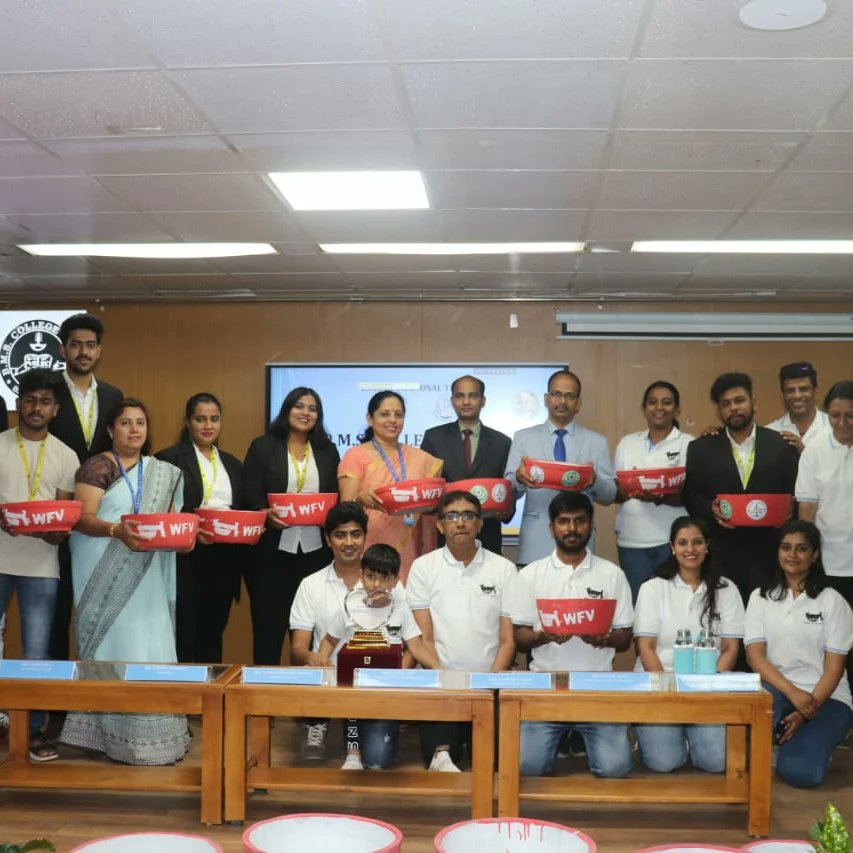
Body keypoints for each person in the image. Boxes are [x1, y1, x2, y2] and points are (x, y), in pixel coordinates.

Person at [60, 399, 189, 765]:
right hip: (101, 564)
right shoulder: (98, 466)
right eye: (125, 423)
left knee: (150, 642)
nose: (134, 430)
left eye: (141, 423)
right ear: (110, 429)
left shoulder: (163, 471)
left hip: (148, 573)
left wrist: (186, 537)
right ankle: (103, 735)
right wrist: (117, 530)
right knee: (112, 644)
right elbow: (83, 518)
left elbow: (172, 521)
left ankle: (155, 740)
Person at [508, 491, 634, 779]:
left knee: (614, 768)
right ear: (551, 527)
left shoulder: (613, 574)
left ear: (591, 525)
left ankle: (577, 733)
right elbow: (520, 637)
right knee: (527, 766)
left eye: (579, 521)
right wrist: (543, 636)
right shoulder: (530, 574)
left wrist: (604, 639)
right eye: (564, 521)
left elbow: (625, 637)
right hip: (546, 686)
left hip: (598, 686)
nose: (572, 529)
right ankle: (564, 734)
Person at [0, 369, 78, 761]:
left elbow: (63, 515)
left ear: (55, 408)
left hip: (42, 566)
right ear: (18, 404)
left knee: (36, 654)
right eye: (30, 399)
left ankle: (33, 732)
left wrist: (55, 531)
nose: (36, 407)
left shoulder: (66, 455)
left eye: (45, 401)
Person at [407, 490, 516, 772]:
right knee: (443, 762)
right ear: (440, 525)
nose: (460, 523)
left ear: (480, 523)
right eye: (452, 516)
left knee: (495, 764)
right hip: (441, 682)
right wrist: (447, 679)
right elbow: (423, 638)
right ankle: (443, 748)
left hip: (490, 682)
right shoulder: (423, 567)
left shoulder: (503, 568)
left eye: (468, 515)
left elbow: (507, 640)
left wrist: (489, 684)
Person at [745, 520, 853, 788]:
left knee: (802, 773)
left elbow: (834, 670)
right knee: (756, 709)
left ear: (814, 555)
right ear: (778, 552)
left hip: (827, 698)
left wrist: (807, 710)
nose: (792, 555)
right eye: (786, 547)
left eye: (801, 548)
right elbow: (754, 657)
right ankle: (782, 738)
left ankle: (802, 742)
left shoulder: (832, 601)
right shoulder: (760, 598)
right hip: (779, 692)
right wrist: (794, 695)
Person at [633, 516, 744, 773]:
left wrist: (707, 690)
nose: (690, 550)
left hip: (708, 689)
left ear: (707, 546)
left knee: (716, 762)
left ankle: (693, 734)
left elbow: (730, 649)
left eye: (697, 542)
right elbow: (646, 647)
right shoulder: (653, 588)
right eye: (682, 543)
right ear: (672, 547)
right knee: (665, 762)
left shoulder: (727, 589)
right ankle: (669, 735)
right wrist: (668, 692)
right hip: (660, 686)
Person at [317, 543, 440, 770]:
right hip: (354, 685)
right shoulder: (348, 605)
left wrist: (439, 670)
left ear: (395, 581)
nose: (376, 584)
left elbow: (416, 645)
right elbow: (329, 640)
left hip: (387, 687)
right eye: (371, 577)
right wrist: (321, 662)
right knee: (351, 701)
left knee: (378, 761)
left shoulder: (402, 608)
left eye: (384, 579)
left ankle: (380, 738)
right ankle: (352, 753)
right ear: (361, 575)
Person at [242, 386, 340, 666]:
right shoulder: (263, 446)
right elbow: (248, 492)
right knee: (268, 629)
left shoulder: (327, 451)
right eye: (299, 406)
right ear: (287, 410)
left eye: (312, 408)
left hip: (315, 554)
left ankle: (306, 705)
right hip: (270, 553)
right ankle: (263, 704)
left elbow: (336, 494)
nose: (305, 413)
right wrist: (263, 512)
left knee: (308, 634)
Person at [682, 372, 799, 602]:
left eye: (739, 401)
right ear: (718, 410)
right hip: (721, 554)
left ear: (753, 403)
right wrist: (710, 509)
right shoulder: (701, 448)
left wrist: (790, 511)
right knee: (726, 623)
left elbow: (796, 493)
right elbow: (690, 495)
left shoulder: (781, 445)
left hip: (769, 553)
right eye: (726, 404)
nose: (733, 408)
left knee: (765, 622)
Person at [49, 312, 123, 665]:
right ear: (63, 349)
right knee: (58, 612)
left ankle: (99, 695)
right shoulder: (47, 391)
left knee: (100, 607)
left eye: (90, 345)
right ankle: (58, 710)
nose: (83, 351)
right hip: (58, 518)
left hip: (100, 518)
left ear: (100, 351)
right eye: (76, 344)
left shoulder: (113, 395)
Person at [155, 392, 243, 664]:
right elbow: (159, 511)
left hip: (225, 560)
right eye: (200, 419)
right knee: (184, 637)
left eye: (214, 419)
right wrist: (190, 531)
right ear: (188, 422)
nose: (208, 426)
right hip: (185, 560)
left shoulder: (232, 463)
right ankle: (182, 704)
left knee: (212, 637)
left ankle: (210, 702)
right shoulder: (168, 459)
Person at [506, 370, 616, 566]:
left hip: (579, 543)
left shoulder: (596, 442)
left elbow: (609, 495)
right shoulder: (523, 437)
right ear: (546, 399)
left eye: (570, 396)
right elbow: (508, 490)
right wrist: (519, 478)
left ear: (578, 404)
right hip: (535, 542)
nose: (562, 401)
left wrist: (594, 480)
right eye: (556, 394)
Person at [290, 501, 370, 760]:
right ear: (328, 540)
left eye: (356, 534)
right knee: (311, 670)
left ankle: (358, 734)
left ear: (365, 538)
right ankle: (316, 724)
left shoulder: (385, 581)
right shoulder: (310, 585)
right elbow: (298, 647)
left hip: (369, 679)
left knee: (378, 758)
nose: (349, 542)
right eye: (340, 535)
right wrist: (311, 657)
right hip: (326, 676)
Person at [338, 390, 443, 581]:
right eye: (385, 414)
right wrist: (359, 498)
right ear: (370, 419)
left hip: (412, 545)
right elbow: (345, 508)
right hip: (371, 545)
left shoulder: (420, 458)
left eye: (399, 414)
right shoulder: (356, 455)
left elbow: (434, 499)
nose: (393, 420)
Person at [614, 381, 694, 602]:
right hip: (631, 541)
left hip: (672, 541)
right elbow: (617, 491)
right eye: (653, 402)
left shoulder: (689, 444)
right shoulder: (627, 443)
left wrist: (661, 496)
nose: (659, 408)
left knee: (674, 605)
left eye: (667, 403)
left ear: (677, 409)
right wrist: (629, 490)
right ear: (644, 407)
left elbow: (692, 493)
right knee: (639, 607)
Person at [796, 380, 853, 686]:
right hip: (828, 565)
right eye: (835, 415)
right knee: (829, 644)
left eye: (850, 416)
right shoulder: (815, 451)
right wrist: (808, 562)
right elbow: (806, 511)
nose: (842, 423)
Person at [420, 375, 512, 555]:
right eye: (460, 396)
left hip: (488, 536)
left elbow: (508, 491)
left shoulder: (502, 442)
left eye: (473, 396)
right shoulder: (434, 438)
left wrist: (507, 509)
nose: (466, 401)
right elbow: (427, 488)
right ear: (452, 400)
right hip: (447, 537)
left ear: (483, 400)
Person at [766, 362, 829, 453]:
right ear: (782, 396)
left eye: (803, 389)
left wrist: (804, 453)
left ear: (815, 393)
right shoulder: (770, 433)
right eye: (790, 390)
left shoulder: (835, 428)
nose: (797, 396)